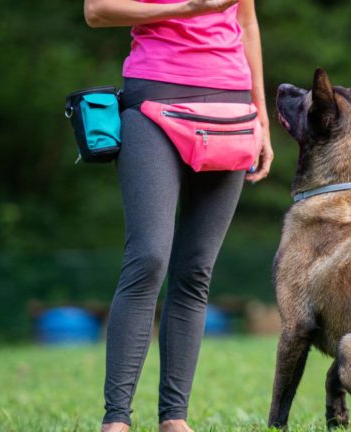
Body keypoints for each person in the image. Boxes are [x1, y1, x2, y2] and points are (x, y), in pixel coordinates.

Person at [82, 1, 273, 431]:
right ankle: (116, 419)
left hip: (230, 108)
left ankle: (174, 418)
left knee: (196, 270)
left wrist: (261, 116)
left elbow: (247, 21)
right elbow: (96, 11)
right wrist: (189, 7)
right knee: (148, 257)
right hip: (153, 99)